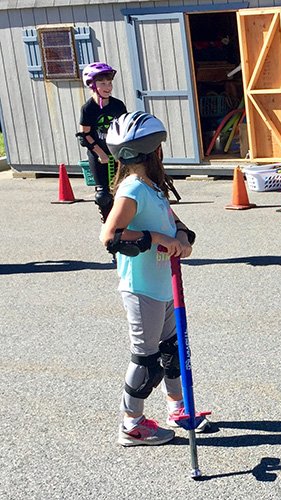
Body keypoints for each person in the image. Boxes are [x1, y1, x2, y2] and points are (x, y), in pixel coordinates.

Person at [101, 111, 209, 446]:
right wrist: (157, 238)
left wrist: (182, 238)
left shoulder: (153, 187)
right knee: (146, 360)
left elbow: (176, 224)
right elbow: (111, 236)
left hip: (164, 284)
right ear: (154, 151)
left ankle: (178, 408)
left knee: (172, 352)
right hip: (142, 288)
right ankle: (131, 425)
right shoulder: (133, 189)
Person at [77, 62, 128, 223]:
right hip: (98, 155)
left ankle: (127, 222)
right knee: (103, 195)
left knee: (124, 190)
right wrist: (100, 153)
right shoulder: (88, 108)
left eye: (109, 83)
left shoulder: (117, 105)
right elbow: (84, 135)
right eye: (103, 83)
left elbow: (125, 129)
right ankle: (109, 225)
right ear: (92, 85)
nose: (108, 87)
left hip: (117, 154)